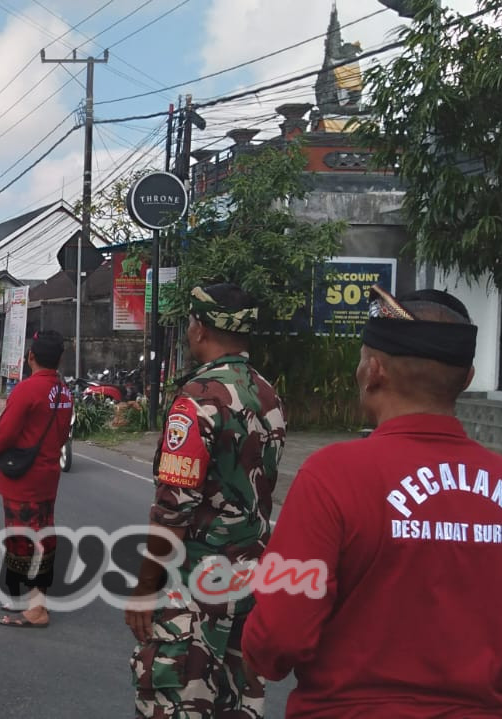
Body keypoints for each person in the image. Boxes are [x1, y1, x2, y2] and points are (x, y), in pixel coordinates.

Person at [242, 287, 502, 718]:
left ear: (373, 371)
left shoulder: (333, 475)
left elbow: (280, 632)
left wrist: (258, 657)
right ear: (466, 379)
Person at [125, 283, 286, 719]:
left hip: (194, 590)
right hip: (248, 587)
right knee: (235, 704)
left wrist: (144, 589)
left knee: (177, 701)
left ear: (198, 329)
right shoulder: (269, 396)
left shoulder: (197, 401)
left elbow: (173, 509)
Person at [0, 329, 72, 629]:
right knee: (41, 534)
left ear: (30, 357)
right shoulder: (64, 392)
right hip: (48, 475)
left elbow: (5, 432)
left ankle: (37, 606)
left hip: (24, 478)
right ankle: (31, 598)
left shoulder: (27, 390)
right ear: (60, 359)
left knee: (24, 539)